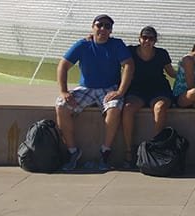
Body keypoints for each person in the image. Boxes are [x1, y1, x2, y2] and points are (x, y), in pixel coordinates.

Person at [55, 14, 134, 171]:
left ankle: (105, 152)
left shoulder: (116, 44)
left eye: (107, 26)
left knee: (115, 108)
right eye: (99, 25)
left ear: (111, 30)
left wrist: (120, 91)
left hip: (108, 88)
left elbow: (129, 65)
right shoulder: (82, 45)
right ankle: (73, 152)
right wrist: (64, 91)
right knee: (61, 106)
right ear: (93, 27)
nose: (103, 29)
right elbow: (63, 66)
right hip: (86, 88)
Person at [122, 26, 175, 167]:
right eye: (144, 37)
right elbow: (113, 50)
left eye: (151, 38)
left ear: (155, 40)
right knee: (127, 108)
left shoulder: (162, 53)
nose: (147, 41)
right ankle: (129, 150)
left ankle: (157, 147)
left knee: (160, 107)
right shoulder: (130, 51)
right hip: (137, 89)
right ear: (139, 38)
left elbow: (172, 73)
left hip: (158, 89)